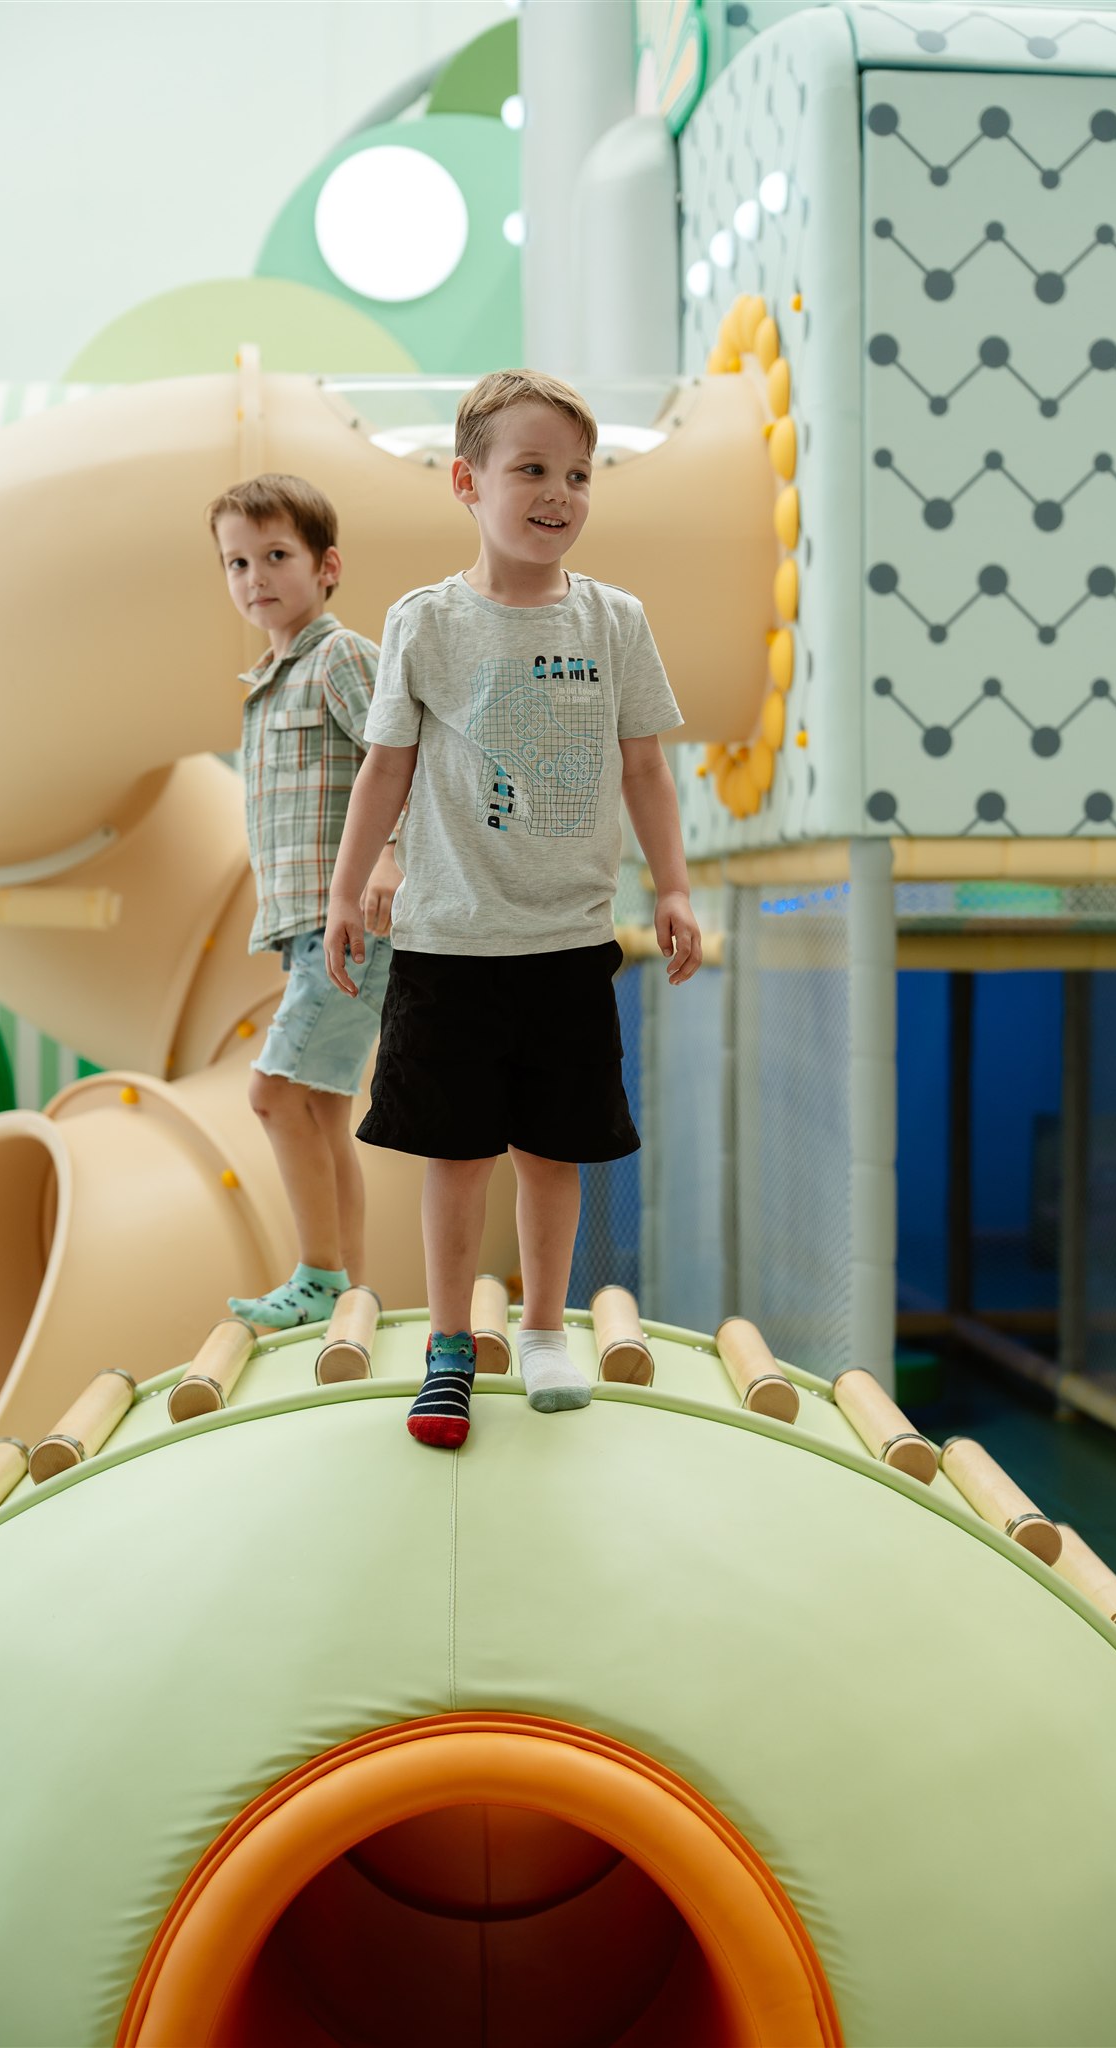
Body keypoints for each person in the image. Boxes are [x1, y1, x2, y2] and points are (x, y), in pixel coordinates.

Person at [323, 370, 701, 1446]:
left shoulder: (614, 620)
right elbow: (384, 770)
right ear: (466, 480)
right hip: (450, 937)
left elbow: (646, 769)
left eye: (577, 474)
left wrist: (671, 884)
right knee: (458, 1152)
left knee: (554, 1147)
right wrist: (348, 890)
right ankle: (450, 1344)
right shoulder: (426, 622)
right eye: (530, 468)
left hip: (570, 938)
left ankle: (540, 1325)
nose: (557, 492)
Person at [207, 473, 402, 1328]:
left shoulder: (340, 657)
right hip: (306, 930)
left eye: (275, 555)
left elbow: (399, 759)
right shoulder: (266, 681)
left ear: (326, 567)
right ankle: (349, 1288)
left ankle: (319, 1277)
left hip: (351, 920)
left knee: (272, 1093)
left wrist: (388, 860)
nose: (256, 577)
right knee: (321, 1105)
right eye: (237, 562)